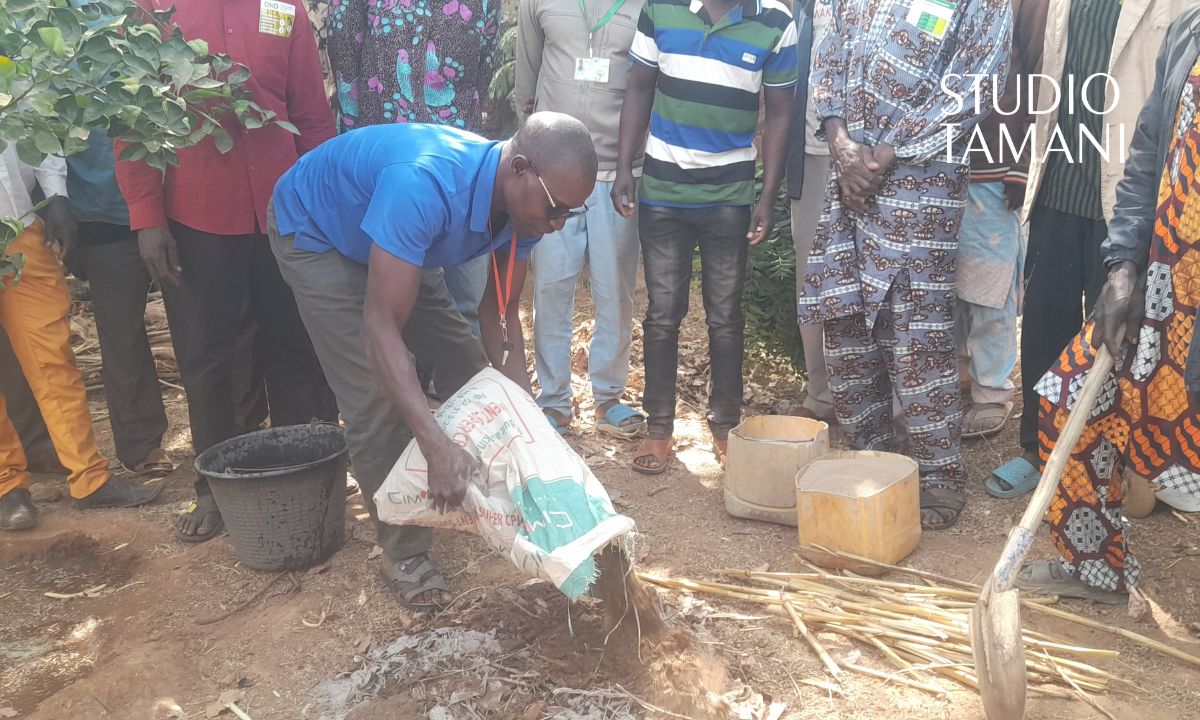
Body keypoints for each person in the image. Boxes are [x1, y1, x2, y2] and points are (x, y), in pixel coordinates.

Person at [269, 113, 596, 608]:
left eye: (570, 215)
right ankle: (404, 554)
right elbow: (381, 327)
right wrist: (436, 444)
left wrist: (531, 429)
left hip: (396, 244)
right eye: (556, 210)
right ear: (521, 168)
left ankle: (515, 499)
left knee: (469, 369)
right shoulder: (424, 185)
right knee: (374, 401)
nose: (557, 226)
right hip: (321, 233)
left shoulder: (528, 208)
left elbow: (500, 317)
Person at [115, 0, 339, 543]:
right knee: (206, 359)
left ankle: (296, 475)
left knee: (293, 351)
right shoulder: (152, 12)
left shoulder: (285, 10)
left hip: (281, 211)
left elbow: (310, 113)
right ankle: (214, 489)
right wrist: (147, 217)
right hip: (196, 216)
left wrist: (325, 205)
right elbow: (135, 121)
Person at [798, 0, 1011, 530]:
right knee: (845, 318)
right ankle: (868, 459)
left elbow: (978, 80)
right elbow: (828, 57)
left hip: (924, 182)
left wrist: (886, 154)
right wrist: (842, 144)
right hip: (849, 182)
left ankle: (938, 475)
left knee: (916, 328)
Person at [1017, 6, 1200, 603]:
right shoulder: (1188, 31)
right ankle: (1097, 573)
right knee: (1071, 398)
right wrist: (1123, 267)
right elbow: (1149, 153)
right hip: (1166, 289)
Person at [991, 0, 1192, 497]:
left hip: (1124, 191)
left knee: (1122, 334)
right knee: (1045, 322)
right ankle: (1038, 450)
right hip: (1060, 182)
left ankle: (1123, 463)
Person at [615, 0, 797, 473]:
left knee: (725, 316)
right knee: (662, 314)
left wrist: (765, 197)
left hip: (729, 196)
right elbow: (639, 88)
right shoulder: (662, 9)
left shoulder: (775, 21)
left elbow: (779, 114)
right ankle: (658, 431)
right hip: (663, 191)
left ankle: (725, 428)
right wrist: (623, 169)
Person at [1, 146, 161, 531]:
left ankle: (89, 479)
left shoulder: (13, 80)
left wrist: (55, 194)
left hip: (19, 228)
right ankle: (7, 485)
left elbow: (35, 122)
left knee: (52, 357)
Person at [326, 0, 503, 335]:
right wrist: (354, 156)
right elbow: (346, 60)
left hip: (459, 172)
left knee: (464, 302)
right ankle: (403, 384)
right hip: (387, 168)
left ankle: (459, 386)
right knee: (389, 301)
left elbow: (483, 72)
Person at [516, 0, 647, 437]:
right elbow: (527, 73)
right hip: (550, 175)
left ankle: (608, 396)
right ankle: (553, 401)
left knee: (616, 291)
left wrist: (632, 163)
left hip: (618, 171)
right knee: (551, 288)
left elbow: (648, 81)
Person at [955, 0, 1047, 439]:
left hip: (997, 161)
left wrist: (1023, 162)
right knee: (942, 283)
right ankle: (958, 374)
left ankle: (992, 391)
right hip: (935, 163)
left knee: (990, 287)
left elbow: (1042, 71)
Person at [65, 129, 174, 477]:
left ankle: (219, 431)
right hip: (101, 218)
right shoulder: (46, 76)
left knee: (200, 326)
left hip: (175, 207)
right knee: (121, 336)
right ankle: (141, 443)